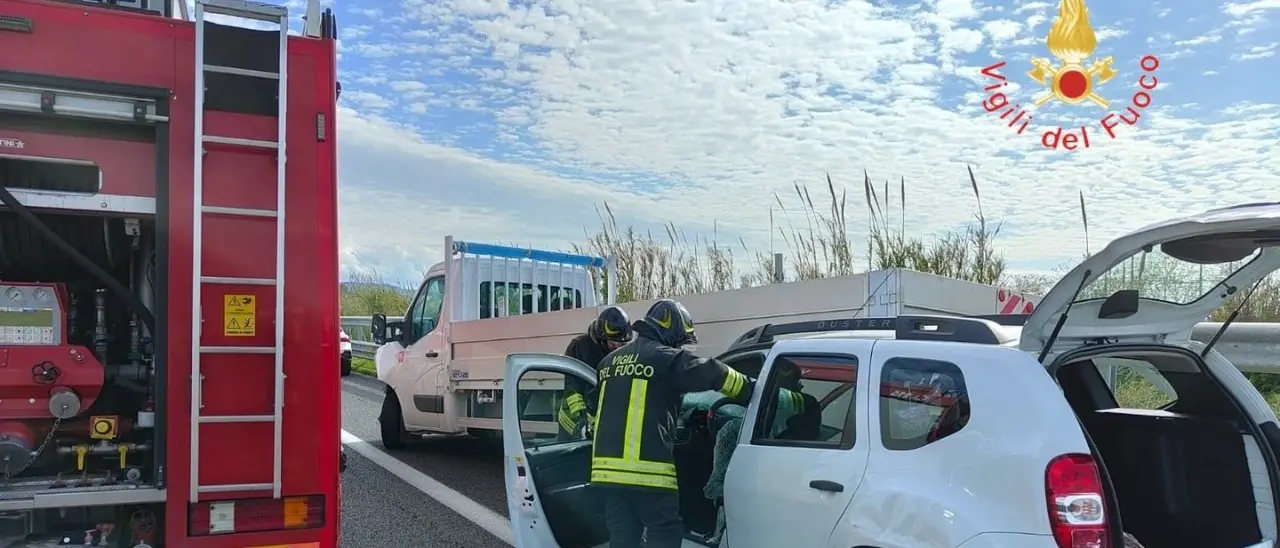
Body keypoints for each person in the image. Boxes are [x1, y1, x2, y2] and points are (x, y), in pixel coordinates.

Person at [587, 299, 753, 548]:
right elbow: (712, 371)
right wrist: (750, 389)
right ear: (670, 333)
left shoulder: (607, 363)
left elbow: (593, 408)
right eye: (679, 341)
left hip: (607, 473)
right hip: (647, 471)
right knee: (664, 531)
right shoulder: (663, 357)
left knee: (622, 533)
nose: (679, 346)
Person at [556, 306, 632, 440]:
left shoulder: (621, 353)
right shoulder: (580, 346)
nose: (618, 347)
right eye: (614, 342)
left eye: (622, 343)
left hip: (601, 424)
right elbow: (572, 389)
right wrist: (583, 421)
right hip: (573, 421)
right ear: (602, 338)